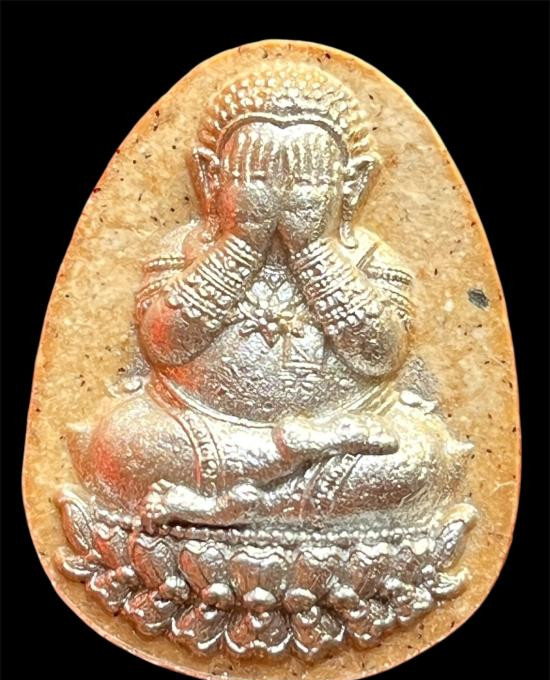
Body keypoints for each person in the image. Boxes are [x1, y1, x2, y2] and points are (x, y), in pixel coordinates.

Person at [68, 64, 471, 530]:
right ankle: (281, 459)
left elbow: (382, 355)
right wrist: (239, 247)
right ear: (211, 178)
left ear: (352, 183)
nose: (280, 195)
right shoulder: (185, 249)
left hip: (346, 438)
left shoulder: (369, 257)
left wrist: (314, 251)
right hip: (204, 432)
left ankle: (227, 507)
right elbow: (162, 345)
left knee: (416, 458)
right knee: (122, 444)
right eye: (255, 175)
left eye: (306, 180)